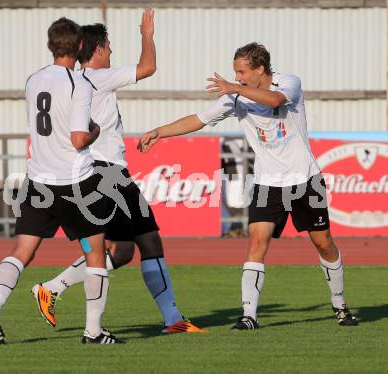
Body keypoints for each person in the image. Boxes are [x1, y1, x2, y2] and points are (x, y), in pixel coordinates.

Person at [138, 42, 358, 330]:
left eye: (242, 72)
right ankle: (248, 315)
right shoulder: (235, 96)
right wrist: (159, 132)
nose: (238, 77)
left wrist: (235, 88)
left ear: (260, 69)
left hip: (306, 179)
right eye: (235, 72)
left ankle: (340, 306)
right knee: (256, 243)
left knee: (323, 243)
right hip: (268, 183)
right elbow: (198, 120)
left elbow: (276, 100)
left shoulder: (288, 82)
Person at [31, 8, 204, 334]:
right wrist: (147, 35)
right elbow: (148, 67)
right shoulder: (97, 77)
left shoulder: (77, 81)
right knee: (149, 240)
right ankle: (173, 319)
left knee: (121, 250)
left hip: (95, 173)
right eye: (108, 46)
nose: (111, 52)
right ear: (96, 50)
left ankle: (51, 288)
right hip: (108, 173)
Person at [0, 17, 124, 345]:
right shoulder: (79, 84)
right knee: (96, 253)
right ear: (81, 47)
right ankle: (93, 331)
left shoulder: (33, 80)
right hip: (75, 185)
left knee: (22, 251)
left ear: (49, 46)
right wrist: (97, 130)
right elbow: (77, 139)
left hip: (38, 181)